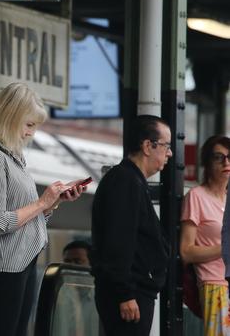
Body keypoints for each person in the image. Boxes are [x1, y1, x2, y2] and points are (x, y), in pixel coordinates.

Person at [0, 82, 83, 336]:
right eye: (29, 125)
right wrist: (43, 202)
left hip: (22, 259)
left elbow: (24, 215)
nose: (31, 133)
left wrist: (54, 201)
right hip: (5, 263)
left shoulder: (12, 156)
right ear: (11, 118)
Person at [90, 114, 171, 336]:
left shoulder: (131, 180)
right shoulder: (125, 181)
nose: (170, 153)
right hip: (128, 294)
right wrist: (124, 293)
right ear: (148, 146)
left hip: (134, 291)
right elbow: (118, 241)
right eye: (166, 146)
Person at [180, 135, 230, 335]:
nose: (226, 162)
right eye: (219, 157)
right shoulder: (196, 196)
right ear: (207, 163)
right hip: (215, 284)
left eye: (229, 156)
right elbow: (186, 252)